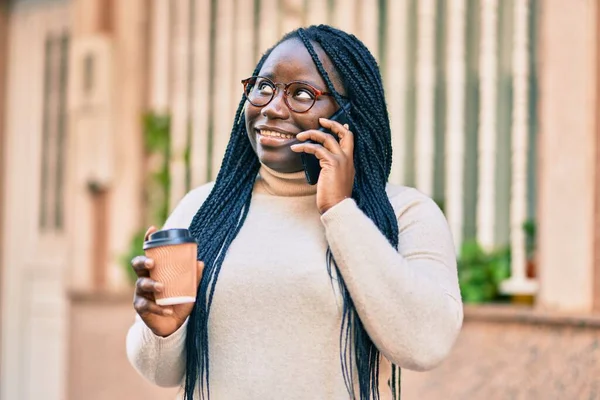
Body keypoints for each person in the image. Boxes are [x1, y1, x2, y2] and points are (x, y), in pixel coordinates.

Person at [126, 25, 462, 400]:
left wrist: (340, 211)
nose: (272, 107)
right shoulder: (204, 209)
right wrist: (162, 329)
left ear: (350, 113)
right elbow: (160, 373)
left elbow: (426, 344)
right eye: (263, 87)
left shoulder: (405, 213)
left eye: (301, 94)